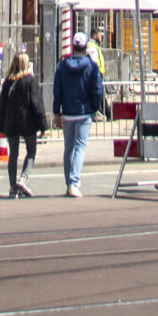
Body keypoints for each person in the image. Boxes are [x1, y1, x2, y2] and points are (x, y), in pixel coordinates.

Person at [52, 32, 107, 197]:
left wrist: (57, 112)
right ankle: (74, 182)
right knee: (80, 147)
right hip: (84, 112)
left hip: (68, 112)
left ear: (73, 46)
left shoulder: (62, 66)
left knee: (68, 148)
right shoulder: (91, 66)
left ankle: (69, 182)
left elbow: (57, 90)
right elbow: (97, 89)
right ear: (85, 47)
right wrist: (94, 107)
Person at [0, 50, 46, 196]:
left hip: (11, 122)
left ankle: (12, 186)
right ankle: (23, 178)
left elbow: (1, 105)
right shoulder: (30, 81)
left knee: (13, 154)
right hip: (27, 122)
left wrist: (1, 125)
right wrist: (42, 125)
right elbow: (37, 104)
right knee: (31, 151)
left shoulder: (8, 82)